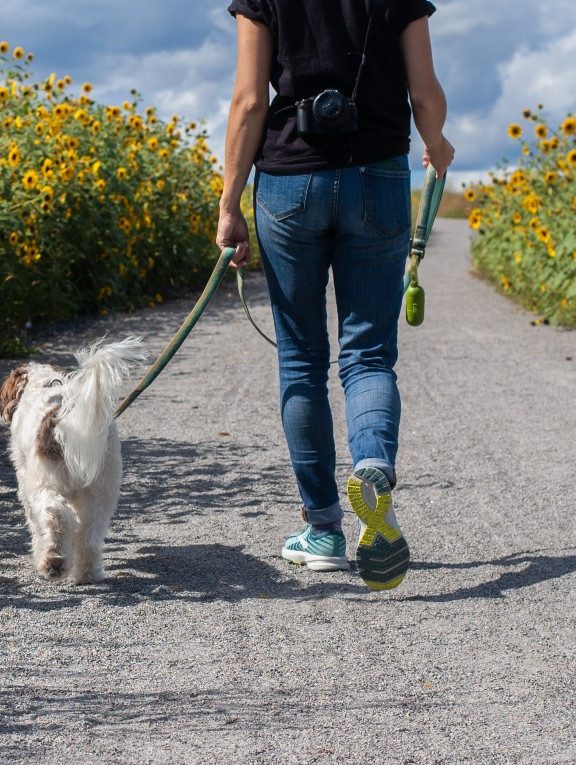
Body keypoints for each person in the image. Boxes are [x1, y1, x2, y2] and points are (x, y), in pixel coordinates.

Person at [216, 0, 454, 590]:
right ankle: (373, 465)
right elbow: (424, 92)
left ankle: (323, 530)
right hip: (378, 174)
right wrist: (437, 142)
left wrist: (229, 203)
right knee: (369, 354)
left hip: (290, 180)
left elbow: (249, 100)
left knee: (300, 358)